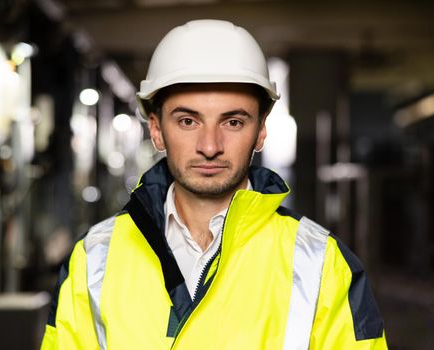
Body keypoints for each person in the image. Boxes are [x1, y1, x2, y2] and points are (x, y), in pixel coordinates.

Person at [41, 19, 388, 349]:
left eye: (233, 122)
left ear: (261, 131)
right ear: (157, 130)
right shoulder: (94, 259)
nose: (210, 146)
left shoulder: (321, 263)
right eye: (188, 121)